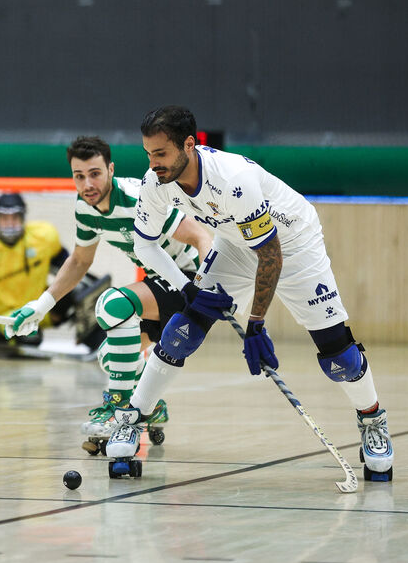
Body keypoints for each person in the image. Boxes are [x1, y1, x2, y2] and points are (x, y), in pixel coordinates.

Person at [111, 106, 393, 481]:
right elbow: (145, 245)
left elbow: (271, 256)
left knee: (339, 354)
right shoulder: (155, 183)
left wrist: (256, 323)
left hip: (293, 245)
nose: (153, 164)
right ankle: (132, 418)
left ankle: (372, 420)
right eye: (148, 153)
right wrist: (187, 289)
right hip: (234, 244)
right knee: (182, 330)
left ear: (189, 146)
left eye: (161, 153)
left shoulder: (233, 181)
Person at [6, 136, 212, 443]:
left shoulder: (136, 198)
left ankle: (117, 409)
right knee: (109, 355)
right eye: (79, 176)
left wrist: (205, 287)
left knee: (113, 304)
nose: (87, 183)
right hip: (159, 284)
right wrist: (41, 304)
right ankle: (151, 407)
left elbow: (199, 235)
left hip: (186, 281)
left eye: (95, 173)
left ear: (110, 169)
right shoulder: (85, 209)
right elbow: (79, 261)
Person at [0, 192, 106, 357]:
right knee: (30, 336)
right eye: (4, 218)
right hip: (6, 317)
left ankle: (97, 340)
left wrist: (90, 291)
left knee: (82, 290)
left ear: (23, 217)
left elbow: (69, 267)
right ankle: (5, 336)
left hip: (39, 307)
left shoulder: (43, 237)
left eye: (15, 217)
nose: (10, 224)